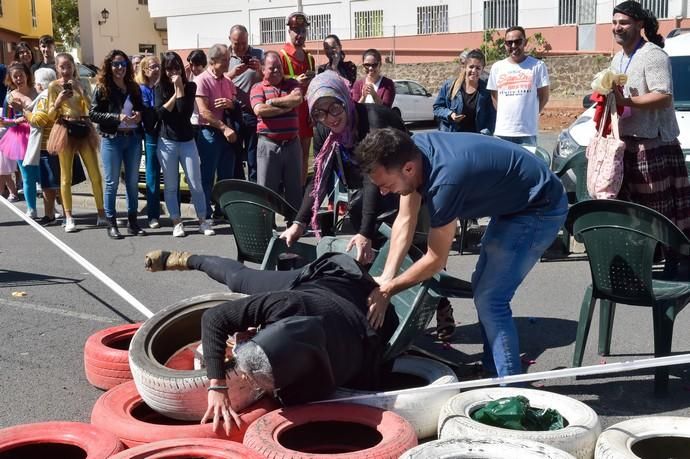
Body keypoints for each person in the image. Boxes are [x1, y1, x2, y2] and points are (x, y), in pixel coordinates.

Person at [356, 128, 567, 377]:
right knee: (483, 287)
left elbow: (435, 260)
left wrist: (388, 290)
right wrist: (387, 277)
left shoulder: (445, 182)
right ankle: (492, 370)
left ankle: (511, 391)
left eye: (386, 185)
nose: (382, 192)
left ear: (409, 169)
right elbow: (405, 219)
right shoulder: (410, 150)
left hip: (540, 206)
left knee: (491, 299)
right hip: (515, 200)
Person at [143, 249, 395, 435]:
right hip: (319, 280)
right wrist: (217, 385)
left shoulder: (335, 376)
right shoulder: (287, 303)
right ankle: (186, 258)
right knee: (239, 278)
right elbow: (213, 318)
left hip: (356, 294)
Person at [280, 70, 405, 265]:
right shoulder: (323, 128)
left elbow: (372, 176)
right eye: (319, 112)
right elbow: (319, 177)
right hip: (368, 195)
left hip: (405, 187)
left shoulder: (372, 121)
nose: (330, 118)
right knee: (371, 262)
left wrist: (365, 232)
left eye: (335, 108)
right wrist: (299, 223)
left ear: (345, 99)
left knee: (409, 261)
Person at [609, 1, 690, 234]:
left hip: (652, 144)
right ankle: (643, 259)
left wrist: (626, 102)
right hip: (626, 144)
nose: (617, 27)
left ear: (639, 24)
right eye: (614, 23)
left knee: (658, 212)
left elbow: (663, 96)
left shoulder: (652, 55)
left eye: (624, 23)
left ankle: (673, 260)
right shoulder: (618, 58)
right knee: (632, 210)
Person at [154, 51, 213, 238]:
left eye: (176, 68)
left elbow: (183, 113)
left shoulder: (191, 86)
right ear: (164, 70)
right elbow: (160, 114)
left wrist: (180, 87)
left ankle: (203, 220)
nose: (173, 72)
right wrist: (173, 94)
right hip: (167, 142)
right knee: (171, 186)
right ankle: (176, 221)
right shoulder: (159, 88)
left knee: (196, 183)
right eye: (169, 68)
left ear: (182, 68)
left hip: (187, 140)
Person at [46, 52, 105, 233]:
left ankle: (101, 213)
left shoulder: (83, 83)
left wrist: (81, 91)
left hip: (83, 126)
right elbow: (49, 115)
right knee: (66, 176)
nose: (66, 70)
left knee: (95, 174)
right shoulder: (53, 86)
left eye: (69, 66)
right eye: (62, 67)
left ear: (74, 67)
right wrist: (58, 101)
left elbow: (92, 108)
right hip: (64, 128)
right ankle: (69, 216)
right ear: (57, 68)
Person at [90, 50, 145, 239]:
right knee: (112, 183)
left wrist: (139, 115)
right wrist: (116, 117)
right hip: (111, 139)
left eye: (122, 64)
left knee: (132, 182)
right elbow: (93, 114)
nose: (119, 68)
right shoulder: (102, 87)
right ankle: (111, 223)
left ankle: (133, 222)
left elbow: (141, 108)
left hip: (132, 139)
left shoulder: (133, 87)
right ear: (109, 66)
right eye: (115, 64)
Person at [250, 51, 304, 209]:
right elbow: (259, 110)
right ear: (262, 70)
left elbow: (297, 99)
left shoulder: (292, 84)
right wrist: (285, 108)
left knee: (294, 188)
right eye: (272, 68)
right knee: (266, 189)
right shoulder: (257, 87)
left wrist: (272, 102)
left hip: (292, 144)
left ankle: (295, 222)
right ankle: (267, 225)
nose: (276, 71)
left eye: (279, 67)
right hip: (268, 145)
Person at [194, 43, 237, 224]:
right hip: (208, 132)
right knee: (207, 175)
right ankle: (205, 213)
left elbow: (234, 104)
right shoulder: (201, 80)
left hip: (226, 134)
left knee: (226, 175)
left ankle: (223, 209)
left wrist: (229, 103)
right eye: (224, 60)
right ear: (212, 61)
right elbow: (203, 111)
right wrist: (224, 128)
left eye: (228, 59)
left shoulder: (227, 81)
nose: (228, 63)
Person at [487, 26, 549, 147]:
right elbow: (494, 96)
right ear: (505, 45)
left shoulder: (538, 66)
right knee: (502, 166)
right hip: (502, 132)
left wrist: (530, 114)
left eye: (518, 41)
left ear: (525, 42)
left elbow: (544, 97)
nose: (514, 46)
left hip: (527, 133)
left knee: (527, 166)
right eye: (509, 43)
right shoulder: (497, 67)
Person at [279, 12, 316, 186]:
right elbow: (274, 81)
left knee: (303, 156)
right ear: (289, 31)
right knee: (289, 158)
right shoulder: (282, 55)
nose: (300, 34)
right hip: (289, 112)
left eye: (303, 30)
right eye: (296, 31)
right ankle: (289, 194)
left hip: (306, 111)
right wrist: (295, 81)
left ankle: (300, 194)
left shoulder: (310, 58)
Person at [23, 68, 62, 225]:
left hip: (47, 145)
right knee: (59, 183)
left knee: (48, 185)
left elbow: (39, 120)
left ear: (40, 83)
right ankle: (64, 215)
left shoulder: (44, 97)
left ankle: (50, 215)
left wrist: (26, 113)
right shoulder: (56, 93)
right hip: (59, 142)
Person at [0, 62, 37, 218]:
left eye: (21, 75)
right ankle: (31, 208)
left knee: (44, 175)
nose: (18, 79)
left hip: (39, 135)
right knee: (27, 175)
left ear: (27, 75)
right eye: (15, 76)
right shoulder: (10, 96)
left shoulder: (37, 91)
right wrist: (15, 121)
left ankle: (51, 208)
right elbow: (2, 120)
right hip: (20, 137)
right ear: (11, 78)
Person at [227, 24, 263, 182]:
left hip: (252, 114)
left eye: (244, 43)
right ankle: (239, 191)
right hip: (231, 114)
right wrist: (232, 74)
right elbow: (215, 80)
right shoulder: (224, 55)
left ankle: (254, 191)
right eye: (237, 43)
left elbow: (269, 80)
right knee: (234, 158)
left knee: (253, 158)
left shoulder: (258, 54)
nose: (241, 47)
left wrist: (260, 70)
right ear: (230, 40)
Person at [434, 49, 495, 134]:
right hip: (452, 138)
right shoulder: (449, 86)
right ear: (465, 67)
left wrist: (486, 133)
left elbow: (492, 116)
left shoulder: (486, 90)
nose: (474, 71)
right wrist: (450, 114)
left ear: (482, 69)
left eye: (478, 68)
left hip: (477, 139)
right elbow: (437, 108)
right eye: (471, 67)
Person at [135, 55, 163, 229]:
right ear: (144, 70)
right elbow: (149, 113)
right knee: (152, 174)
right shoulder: (142, 89)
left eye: (158, 66)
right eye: (152, 67)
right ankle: (153, 215)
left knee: (169, 174)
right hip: (151, 133)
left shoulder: (161, 87)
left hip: (166, 133)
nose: (156, 69)